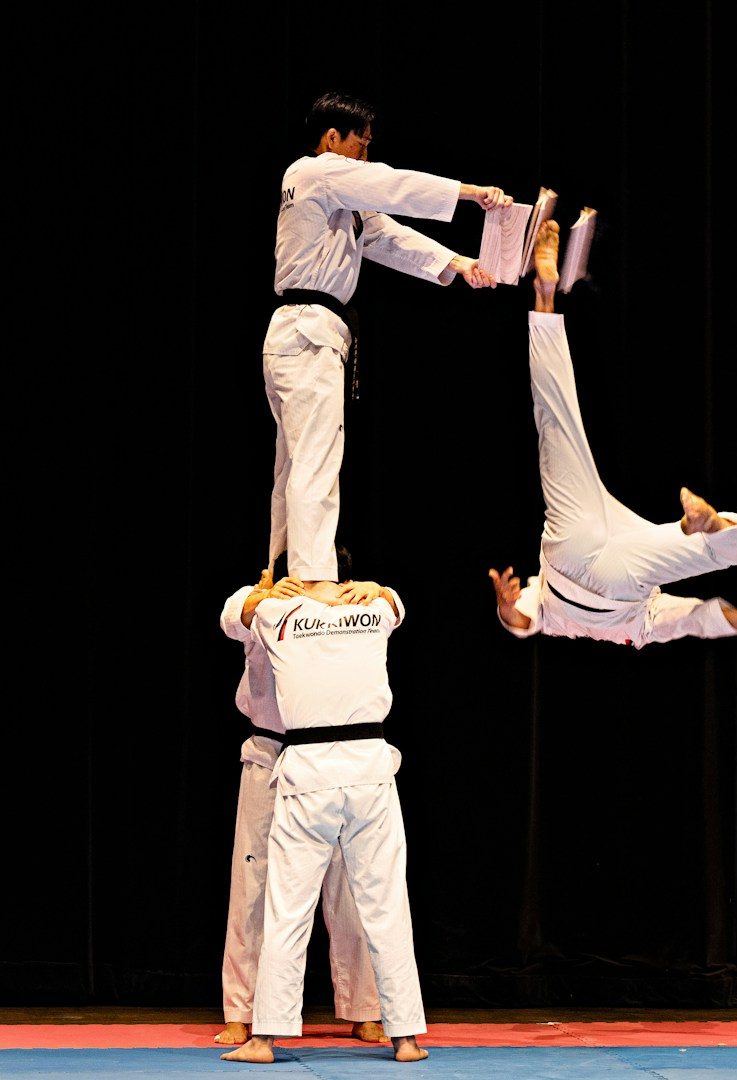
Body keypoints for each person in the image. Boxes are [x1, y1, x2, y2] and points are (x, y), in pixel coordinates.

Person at [487, 220, 737, 660]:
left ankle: (712, 529)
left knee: (729, 550)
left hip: (614, 575)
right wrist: (507, 608)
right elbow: (523, 620)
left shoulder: (639, 629)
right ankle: (544, 294)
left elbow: (700, 620)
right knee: (556, 424)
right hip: (574, 555)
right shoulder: (592, 621)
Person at [266, 89, 513, 583]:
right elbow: (391, 184)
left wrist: (459, 264)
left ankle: (278, 570)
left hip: (303, 331)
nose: (366, 154)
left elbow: (386, 235)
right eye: (360, 144)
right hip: (307, 329)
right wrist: (470, 193)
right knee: (314, 456)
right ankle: (312, 577)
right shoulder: (315, 171)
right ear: (331, 138)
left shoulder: (336, 197)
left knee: (295, 461)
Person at [221, 559, 427, 1065]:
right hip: (357, 767)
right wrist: (379, 589)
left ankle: (267, 1037)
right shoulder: (373, 609)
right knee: (386, 904)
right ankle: (407, 1038)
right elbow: (396, 604)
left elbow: (239, 613)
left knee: (289, 908)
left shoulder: (279, 614)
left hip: (309, 768)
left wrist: (267, 597)